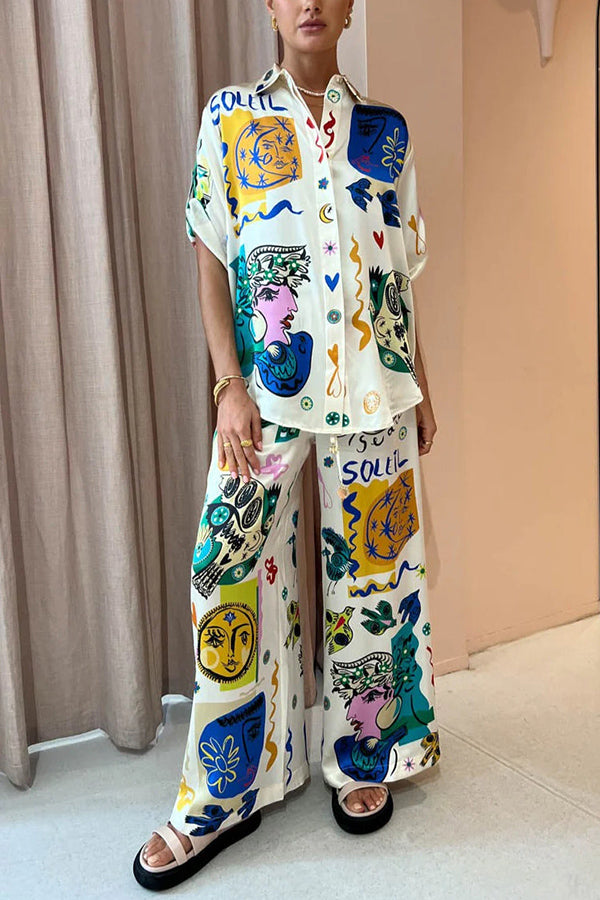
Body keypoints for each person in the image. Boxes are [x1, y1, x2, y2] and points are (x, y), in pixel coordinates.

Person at [133, 0, 440, 891]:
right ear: (271, 5)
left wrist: (422, 380)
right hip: (266, 393)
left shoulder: (385, 132)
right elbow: (210, 249)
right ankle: (222, 793)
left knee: (374, 578)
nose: (309, 2)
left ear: (348, 8)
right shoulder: (231, 117)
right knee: (225, 571)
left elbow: (401, 269)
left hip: (377, 386)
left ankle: (365, 754)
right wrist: (226, 382)